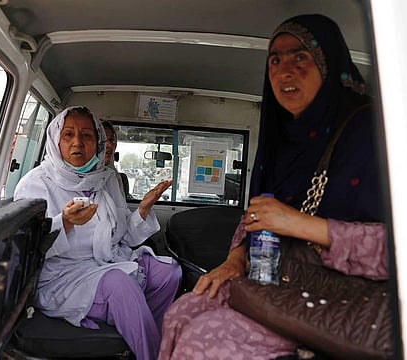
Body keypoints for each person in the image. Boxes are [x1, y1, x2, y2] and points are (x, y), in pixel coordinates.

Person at [158, 14, 388, 360]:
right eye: (275, 60)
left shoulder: (375, 134)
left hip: (342, 297)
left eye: (301, 57)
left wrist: (297, 223)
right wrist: (235, 258)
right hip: (279, 281)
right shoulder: (280, 144)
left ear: (329, 64)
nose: (284, 71)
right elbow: (259, 215)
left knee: (203, 341)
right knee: (181, 312)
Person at [14, 106, 181, 360]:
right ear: (56, 140)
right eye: (68, 135)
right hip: (63, 275)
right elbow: (28, 248)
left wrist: (144, 209)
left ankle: (144, 335)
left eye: (87, 136)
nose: (77, 142)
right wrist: (65, 223)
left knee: (170, 272)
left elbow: (123, 235)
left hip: (108, 259)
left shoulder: (106, 179)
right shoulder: (36, 183)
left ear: (98, 142)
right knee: (120, 285)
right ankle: (151, 353)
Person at [101, 120, 131, 199]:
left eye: (112, 140)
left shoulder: (113, 176)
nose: (109, 145)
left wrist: (143, 209)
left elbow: (121, 210)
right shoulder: (80, 177)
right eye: (103, 140)